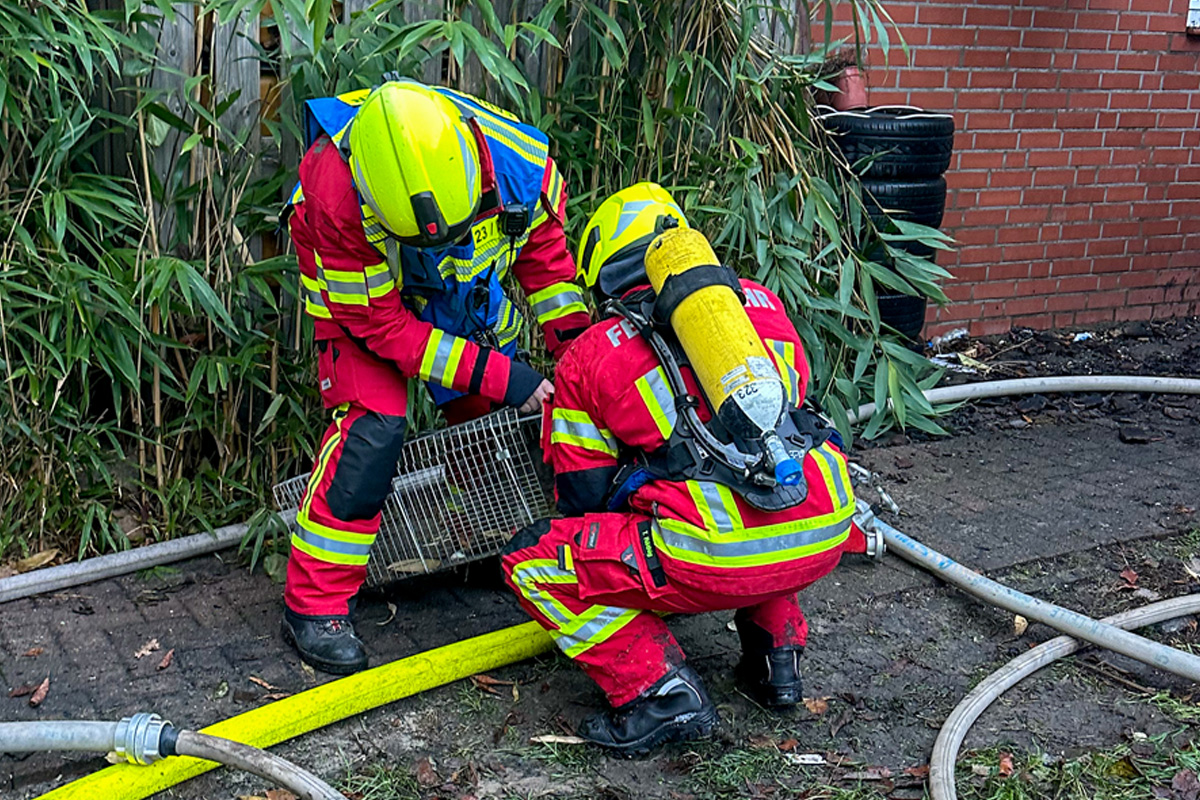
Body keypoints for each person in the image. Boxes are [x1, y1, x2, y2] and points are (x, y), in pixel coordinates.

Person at [500, 183, 858, 755]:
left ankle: (659, 693)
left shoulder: (592, 353)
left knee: (534, 558)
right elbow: (778, 430)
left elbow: (583, 495)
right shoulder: (761, 307)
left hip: (719, 554)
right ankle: (777, 662)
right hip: (825, 525)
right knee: (756, 485)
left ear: (603, 273)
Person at [283, 80, 590, 675]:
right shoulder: (332, 190)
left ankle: (501, 548)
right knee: (373, 430)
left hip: (461, 285)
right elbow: (382, 329)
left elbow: (547, 261)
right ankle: (314, 605)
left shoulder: (517, 161)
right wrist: (514, 378)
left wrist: (577, 356)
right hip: (365, 303)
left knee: (484, 413)